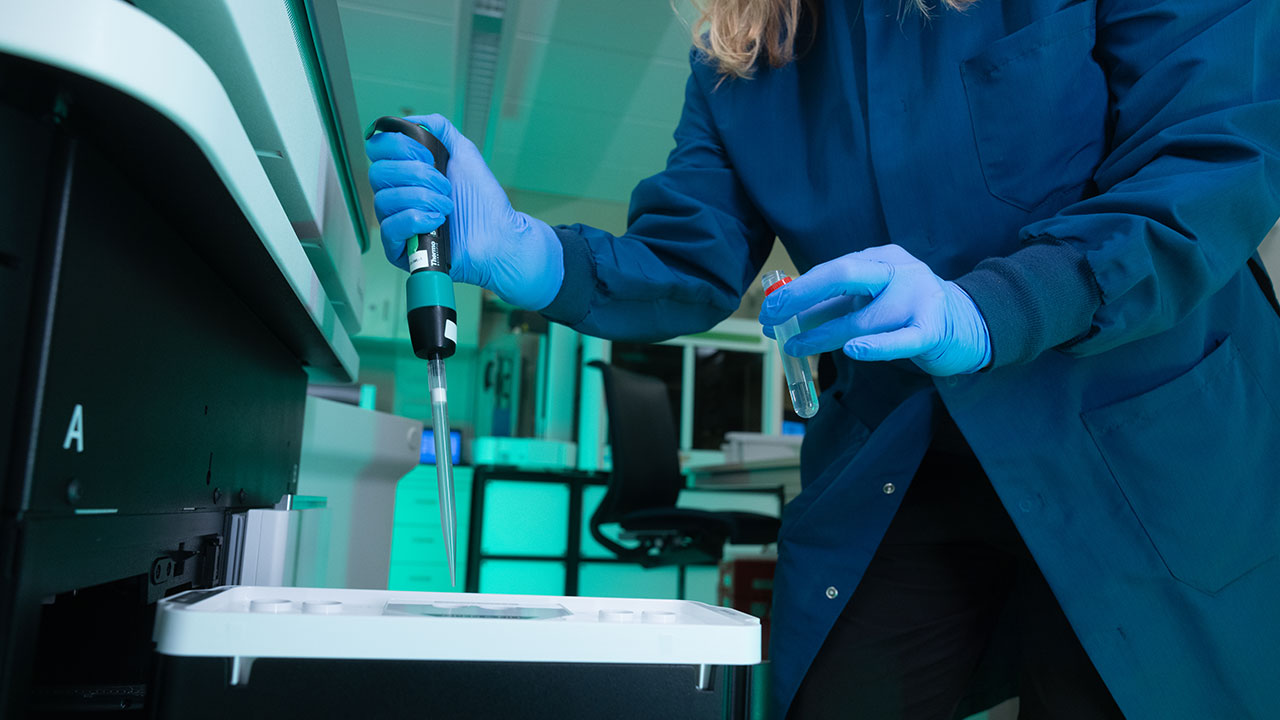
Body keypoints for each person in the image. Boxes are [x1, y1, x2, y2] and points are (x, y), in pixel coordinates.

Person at [365, 0, 1280, 717]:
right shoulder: (746, 49)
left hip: (1141, 454)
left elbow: (1208, 160)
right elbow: (690, 257)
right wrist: (530, 254)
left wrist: (988, 308)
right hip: (904, 460)